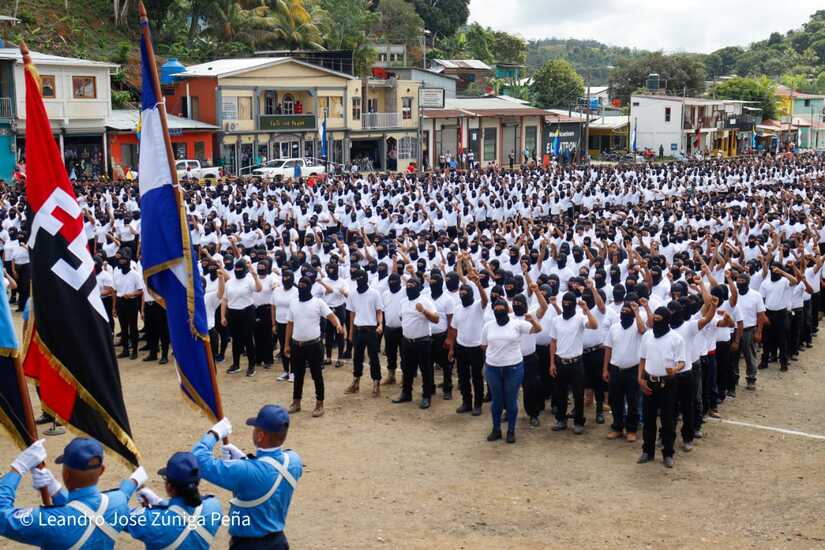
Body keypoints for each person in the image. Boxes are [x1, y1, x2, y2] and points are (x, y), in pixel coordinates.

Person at [0, 437, 146, 548]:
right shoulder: (119, 502)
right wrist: (55, 490)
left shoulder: (46, 520)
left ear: (66, 474)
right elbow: (125, 490)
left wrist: (19, 467)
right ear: (101, 471)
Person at [192, 406, 302, 550]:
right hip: (278, 543)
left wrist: (215, 433)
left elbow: (197, 459)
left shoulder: (244, 471)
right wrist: (244, 459)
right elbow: (268, 470)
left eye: (255, 428)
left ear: (260, 435)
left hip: (247, 545)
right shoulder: (294, 460)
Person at [126, 451, 223, 549]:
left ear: (169, 487)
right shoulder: (214, 506)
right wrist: (160, 502)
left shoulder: (152, 521)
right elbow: (186, 511)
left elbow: (116, 513)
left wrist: (132, 482)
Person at [480, 299, 541, 443]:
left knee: (511, 399)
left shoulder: (517, 323)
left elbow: (537, 329)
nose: (498, 311)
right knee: (497, 400)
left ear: (507, 310)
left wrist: (532, 320)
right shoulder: (488, 326)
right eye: (496, 309)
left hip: (513, 367)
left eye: (501, 309)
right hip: (493, 368)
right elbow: (483, 345)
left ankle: (511, 431)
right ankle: (496, 429)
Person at [284, 275, 344, 417]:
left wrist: (338, 325)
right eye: (300, 285)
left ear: (310, 287)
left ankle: (319, 403)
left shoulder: (318, 302)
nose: (302, 287)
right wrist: (286, 344)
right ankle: (296, 402)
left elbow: (330, 316)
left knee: (317, 375)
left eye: (305, 285)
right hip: (297, 345)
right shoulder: (293, 303)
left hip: (314, 345)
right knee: (298, 374)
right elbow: (290, 324)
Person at [638, 307, 686, 468]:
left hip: (668, 383)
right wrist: (640, 378)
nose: (655, 322)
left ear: (666, 321)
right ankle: (647, 451)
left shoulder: (676, 339)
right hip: (650, 381)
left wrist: (675, 369)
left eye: (658, 319)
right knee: (649, 419)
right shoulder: (647, 336)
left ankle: (668, 453)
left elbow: (682, 361)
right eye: (654, 319)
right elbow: (643, 359)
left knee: (668, 420)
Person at [549, 292, 598, 434]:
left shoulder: (580, 318)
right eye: (564, 301)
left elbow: (594, 325)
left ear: (574, 304)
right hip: (560, 361)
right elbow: (553, 342)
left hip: (576, 362)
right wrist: (552, 363)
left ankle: (578, 422)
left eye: (569, 302)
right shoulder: (556, 320)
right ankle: (561, 420)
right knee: (560, 393)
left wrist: (587, 309)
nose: (566, 304)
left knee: (578, 394)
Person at [602, 297, 646, 441]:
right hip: (615, 369)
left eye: (628, 312)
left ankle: (631, 429)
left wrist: (637, 312)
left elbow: (642, 330)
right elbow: (608, 348)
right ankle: (617, 427)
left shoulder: (636, 325)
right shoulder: (614, 328)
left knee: (633, 401)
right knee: (615, 400)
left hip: (632, 370)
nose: (624, 314)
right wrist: (605, 369)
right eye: (623, 311)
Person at [449, 266, 488, 416]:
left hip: (476, 348)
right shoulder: (458, 308)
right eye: (461, 293)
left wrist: (478, 284)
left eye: (465, 293)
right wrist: (452, 349)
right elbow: (454, 330)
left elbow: (485, 300)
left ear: (471, 294)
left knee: (477, 378)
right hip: (461, 347)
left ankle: (477, 404)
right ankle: (466, 402)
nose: (463, 295)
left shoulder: (478, 306)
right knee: (463, 377)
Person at [395, 276, 439, 408]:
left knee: (425, 370)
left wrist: (423, 311)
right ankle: (406, 393)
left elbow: (436, 319)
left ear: (419, 287)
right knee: (407, 369)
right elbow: (402, 317)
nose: (409, 287)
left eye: (412, 285)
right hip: (407, 341)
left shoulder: (425, 301)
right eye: (407, 285)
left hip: (422, 341)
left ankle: (426, 396)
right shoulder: (403, 302)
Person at [345, 269, 384, 396]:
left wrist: (380, 324)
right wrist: (350, 332)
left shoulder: (374, 293)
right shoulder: (352, 294)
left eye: (360, 279)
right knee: (357, 357)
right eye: (356, 280)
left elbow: (379, 311)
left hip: (371, 330)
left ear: (365, 279)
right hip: (358, 330)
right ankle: (356, 382)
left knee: (374, 358)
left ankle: (376, 383)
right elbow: (352, 313)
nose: (358, 282)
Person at [223, 259, 262, 376]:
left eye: (240, 269)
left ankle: (251, 366)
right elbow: (224, 300)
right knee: (235, 340)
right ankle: (236, 364)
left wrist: (255, 277)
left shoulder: (249, 279)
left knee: (248, 339)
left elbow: (259, 289)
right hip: (233, 313)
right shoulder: (229, 282)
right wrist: (222, 316)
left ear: (244, 270)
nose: (238, 271)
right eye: (236, 269)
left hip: (247, 312)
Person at [113, 250, 143, 360]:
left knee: (133, 327)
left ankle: (134, 350)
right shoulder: (116, 274)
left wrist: (131, 294)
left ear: (128, 261)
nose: (121, 262)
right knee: (123, 327)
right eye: (120, 260)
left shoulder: (135, 275)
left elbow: (141, 291)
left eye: (123, 261)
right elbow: (115, 292)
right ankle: (125, 349)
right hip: (121, 302)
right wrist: (114, 307)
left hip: (131, 302)